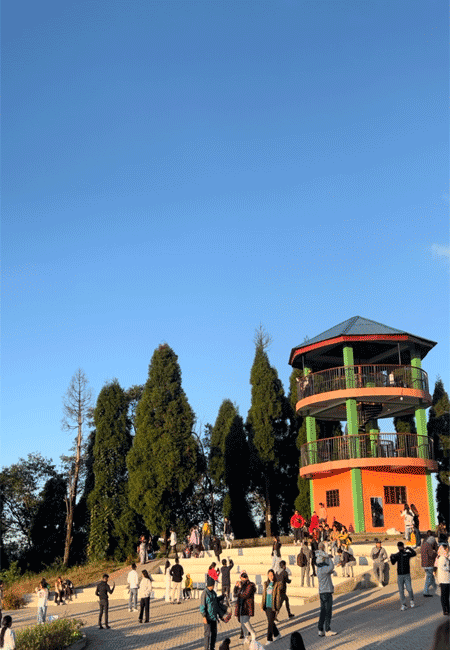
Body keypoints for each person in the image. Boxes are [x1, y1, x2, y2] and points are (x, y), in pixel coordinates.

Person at [316, 543, 338, 637]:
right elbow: (331, 566)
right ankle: (327, 629)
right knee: (328, 611)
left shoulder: (319, 569)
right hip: (327, 592)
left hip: (322, 592)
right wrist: (329, 558)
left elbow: (329, 570)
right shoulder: (324, 569)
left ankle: (320, 629)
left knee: (323, 611)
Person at [390, 541, 416, 610]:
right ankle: (403, 604)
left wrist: (409, 548)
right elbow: (393, 563)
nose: (400, 547)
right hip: (400, 575)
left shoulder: (407, 554)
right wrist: (391, 557)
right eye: (399, 546)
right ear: (398, 547)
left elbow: (414, 554)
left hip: (407, 574)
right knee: (401, 590)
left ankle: (411, 600)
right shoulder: (397, 555)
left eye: (401, 546)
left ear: (403, 546)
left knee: (409, 588)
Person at [200, 576, 223, 650]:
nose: (213, 587)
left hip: (214, 617)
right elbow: (202, 606)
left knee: (214, 634)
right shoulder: (204, 593)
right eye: (213, 585)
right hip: (207, 617)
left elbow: (216, 601)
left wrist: (222, 596)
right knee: (207, 634)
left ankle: (212, 648)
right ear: (210, 585)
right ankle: (206, 648)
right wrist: (204, 617)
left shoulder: (213, 593)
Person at [234, 572, 257, 643]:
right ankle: (246, 637)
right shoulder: (241, 585)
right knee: (242, 622)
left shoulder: (250, 585)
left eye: (244, 577)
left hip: (247, 606)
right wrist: (236, 586)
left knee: (245, 621)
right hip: (241, 606)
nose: (243, 579)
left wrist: (240, 590)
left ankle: (253, 633)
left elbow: (246, 595)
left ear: (247, 578)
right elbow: (235, 593)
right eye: (242, 577)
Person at [261, 569, 282, 645]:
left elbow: (278, 596)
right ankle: (277, 634)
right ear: (268, 576)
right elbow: (264, 595)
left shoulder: (276, 584)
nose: (271, 577)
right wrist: (262, 606)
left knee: (270, 623)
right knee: (271, 621)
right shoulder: (266, 584)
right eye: (270, 575)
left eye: (272, 575)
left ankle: (269, 639)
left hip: (273, 606)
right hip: (267, 606)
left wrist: (277, 608)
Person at [421, 530, 438, 597]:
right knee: (429, 578)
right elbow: (431, 555)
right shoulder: (429, 546)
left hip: (424, 564)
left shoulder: (424, 544)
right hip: (429, 564)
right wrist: (436, 554)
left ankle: (438, 590)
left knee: (431, 578)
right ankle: (425, 591)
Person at [436, 543, 450, 616]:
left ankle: (448, 608)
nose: (447, 550)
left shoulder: (446, 558)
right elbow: (443, 567)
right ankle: (445, 610)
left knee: (447, 596)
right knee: (444, 596)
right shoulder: (442, 558)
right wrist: (449, 569)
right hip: (443, 580)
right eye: (446, 549)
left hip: (447, 579)